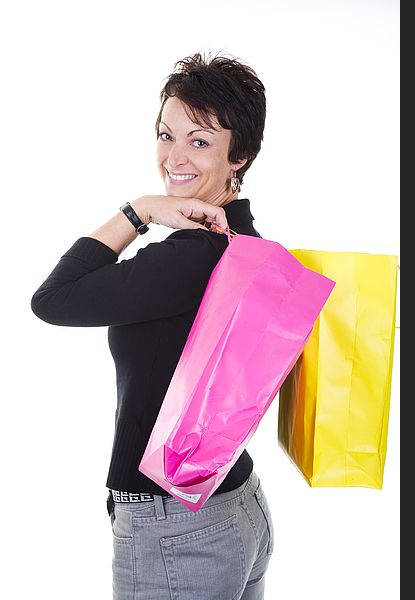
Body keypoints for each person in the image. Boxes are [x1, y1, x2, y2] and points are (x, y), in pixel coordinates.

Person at [30, 52, 274, 599]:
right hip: (236, 502)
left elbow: (52, 299)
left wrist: (139, 210)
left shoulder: (191, 256)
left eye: (200, 141)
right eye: (166, 134)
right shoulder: (245, 236)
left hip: (178, 526)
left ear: (242, 154)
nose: (174, 157)